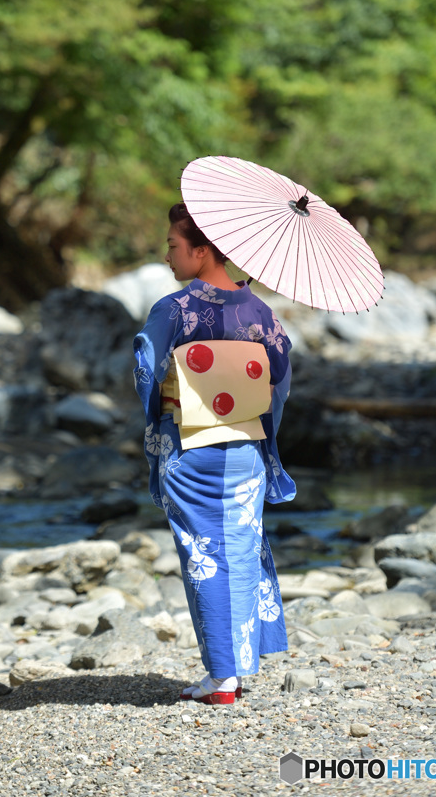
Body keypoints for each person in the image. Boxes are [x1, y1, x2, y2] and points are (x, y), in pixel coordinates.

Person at [133, 202, 296, 705]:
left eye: (173, 246)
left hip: (191, 448)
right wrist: (262, 429)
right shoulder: (260, 312)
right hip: (244, 448)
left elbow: (145, 368)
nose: (167, 256)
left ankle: (222, 677)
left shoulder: (174, 310)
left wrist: (163, 405)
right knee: (240, 550)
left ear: (201, 251)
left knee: (204, 555)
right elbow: (281, 380)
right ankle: (233, 668)